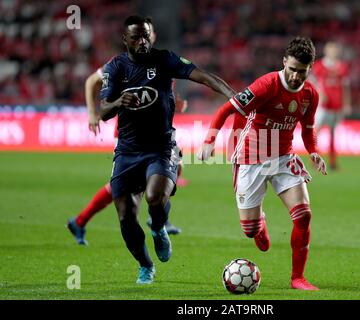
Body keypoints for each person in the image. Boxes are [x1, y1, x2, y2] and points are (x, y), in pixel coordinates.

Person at [99, 15, 235, 284]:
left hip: (161, 147)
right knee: (126, 216)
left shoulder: (164, 59)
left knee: (154, 196)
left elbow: (203, 76)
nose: (143, 41)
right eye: (136, 37)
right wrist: (118, 102)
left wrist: (234, 96)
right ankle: (145, 265)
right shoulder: (114, 68)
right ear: (124, 39)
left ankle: (159, 228)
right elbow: (102, 111)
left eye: (146, 35)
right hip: (127, 151)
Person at [198, 37, 327, 290]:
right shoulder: (266, 85)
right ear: (284, 63)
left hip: (283, 157)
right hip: (250, 157)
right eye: (291, 70)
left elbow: (308, 129)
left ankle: (297, 278)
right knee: (248, 230)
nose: (295, 77)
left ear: (309, 69)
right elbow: (226, 110)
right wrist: (209, 141)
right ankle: (258, 225)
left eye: (301, 72)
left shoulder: (310, 94)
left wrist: (313, 151)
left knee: (303, 216)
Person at [67, 21, 185, 246]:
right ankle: (82, 220)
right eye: (140, 34)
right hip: (133, 131)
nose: (146, 38)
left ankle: (158, 217)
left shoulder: (158, 60)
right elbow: (92, 80)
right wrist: (92, 112)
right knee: (129, 185)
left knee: (174, 165)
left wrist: (174, 102)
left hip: (156, 133)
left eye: (148, 34)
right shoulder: (122, 63)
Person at [311, 41, 351, 170]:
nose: (334, 52)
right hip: (323, 106)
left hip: (336, 106)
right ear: (327, 51)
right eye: (331, 50)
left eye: (335, 50)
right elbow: (311, 81)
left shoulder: (342, 67)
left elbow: (345, 87)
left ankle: (333, 162)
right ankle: (315, 160)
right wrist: (319, 93)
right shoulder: (319, 66)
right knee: (317, 133)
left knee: (333, 134)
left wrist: (346, 103)